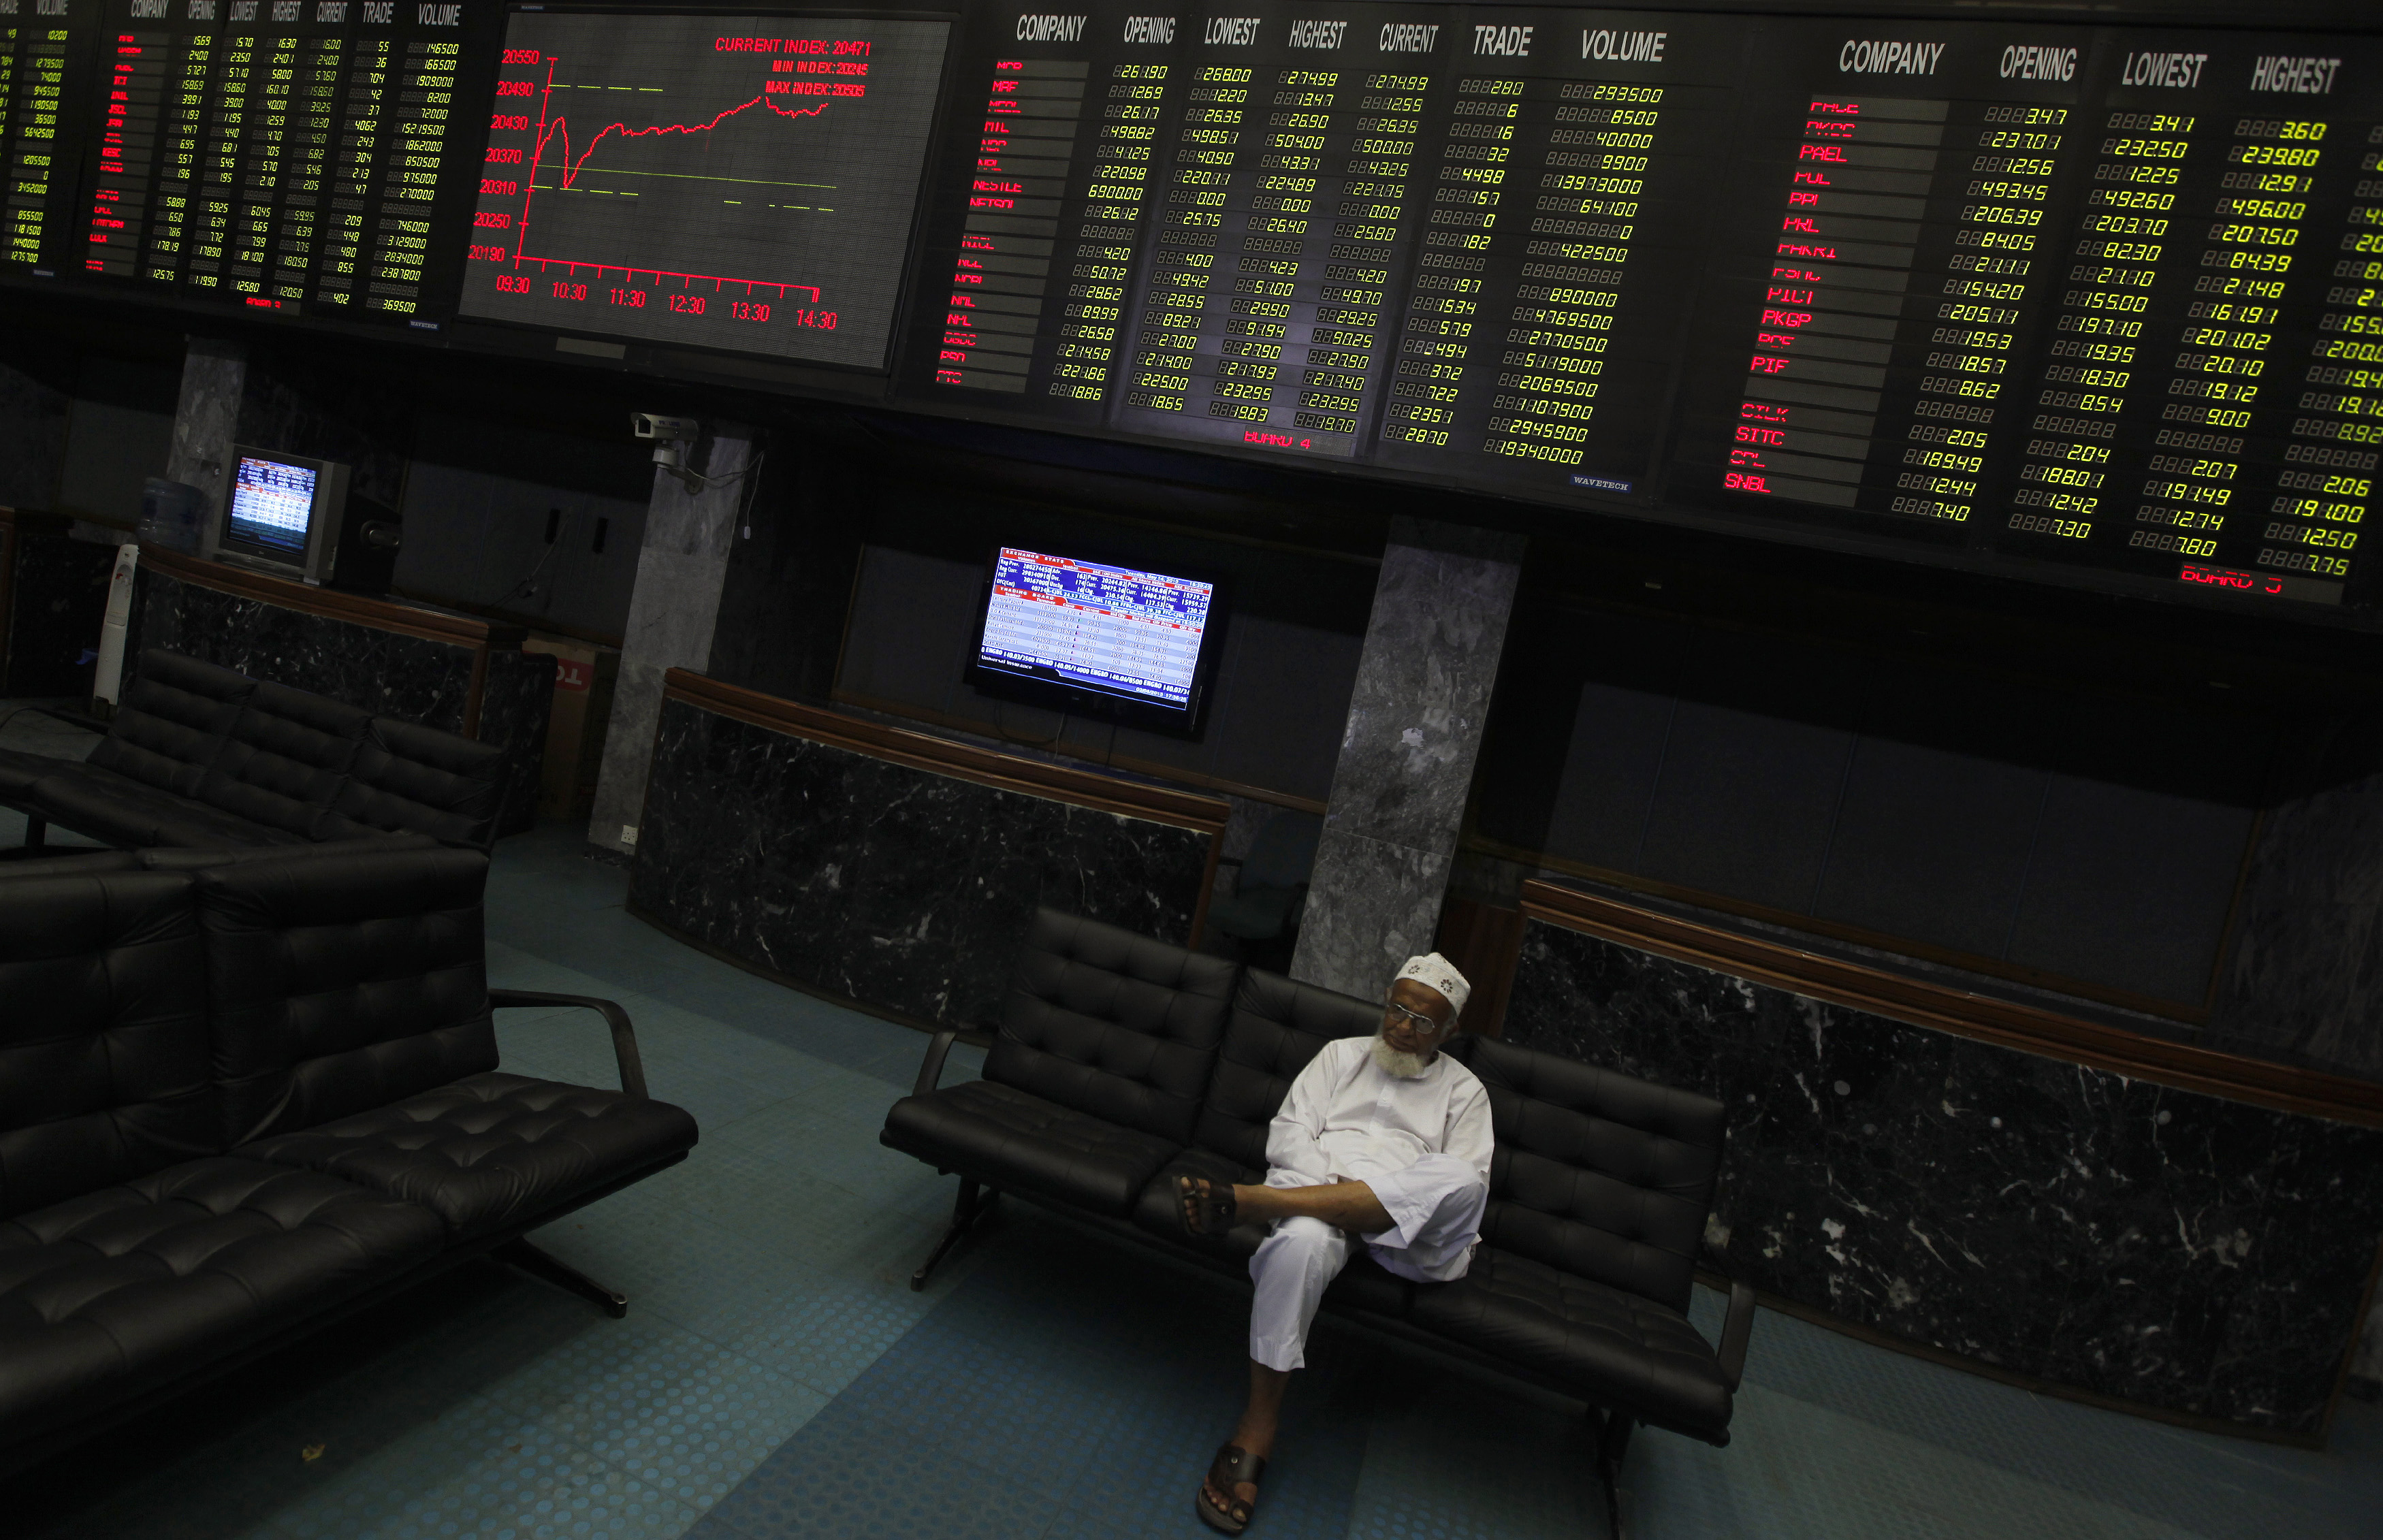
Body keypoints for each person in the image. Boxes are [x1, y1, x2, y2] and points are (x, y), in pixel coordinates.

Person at [1176, 952, 1491, 1534]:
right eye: (1396, 1008)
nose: (1402, 1025)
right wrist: (1339, 1197)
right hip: (1319, 1197)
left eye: (1422, 1021)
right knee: (1299, 1243)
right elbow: (1292, 1134)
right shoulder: (1341, 1056)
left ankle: (1255, 1203)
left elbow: (1461, 1188)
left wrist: (1379, 1198)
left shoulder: (1465, 1093)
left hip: (1409, 1236)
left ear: (1449, 1031)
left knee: (1462, 1179)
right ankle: (1257, 1426)